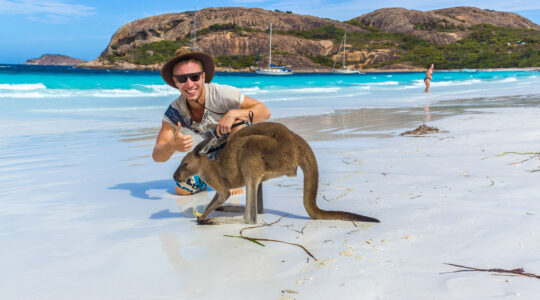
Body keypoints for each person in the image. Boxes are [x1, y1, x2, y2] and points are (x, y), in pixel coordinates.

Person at [152, 51, 271, 195]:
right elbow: (157, 156)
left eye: (194, 77)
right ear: (176, 82)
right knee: (182, 189)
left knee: (240, 122)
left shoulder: (221, 94)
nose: (189, 84)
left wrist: (233, 113)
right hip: (211, 154)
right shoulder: (174, 112)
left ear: (203, 77)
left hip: (238, 148)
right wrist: (173, 145)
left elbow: (264, 111)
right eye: (182, 79)